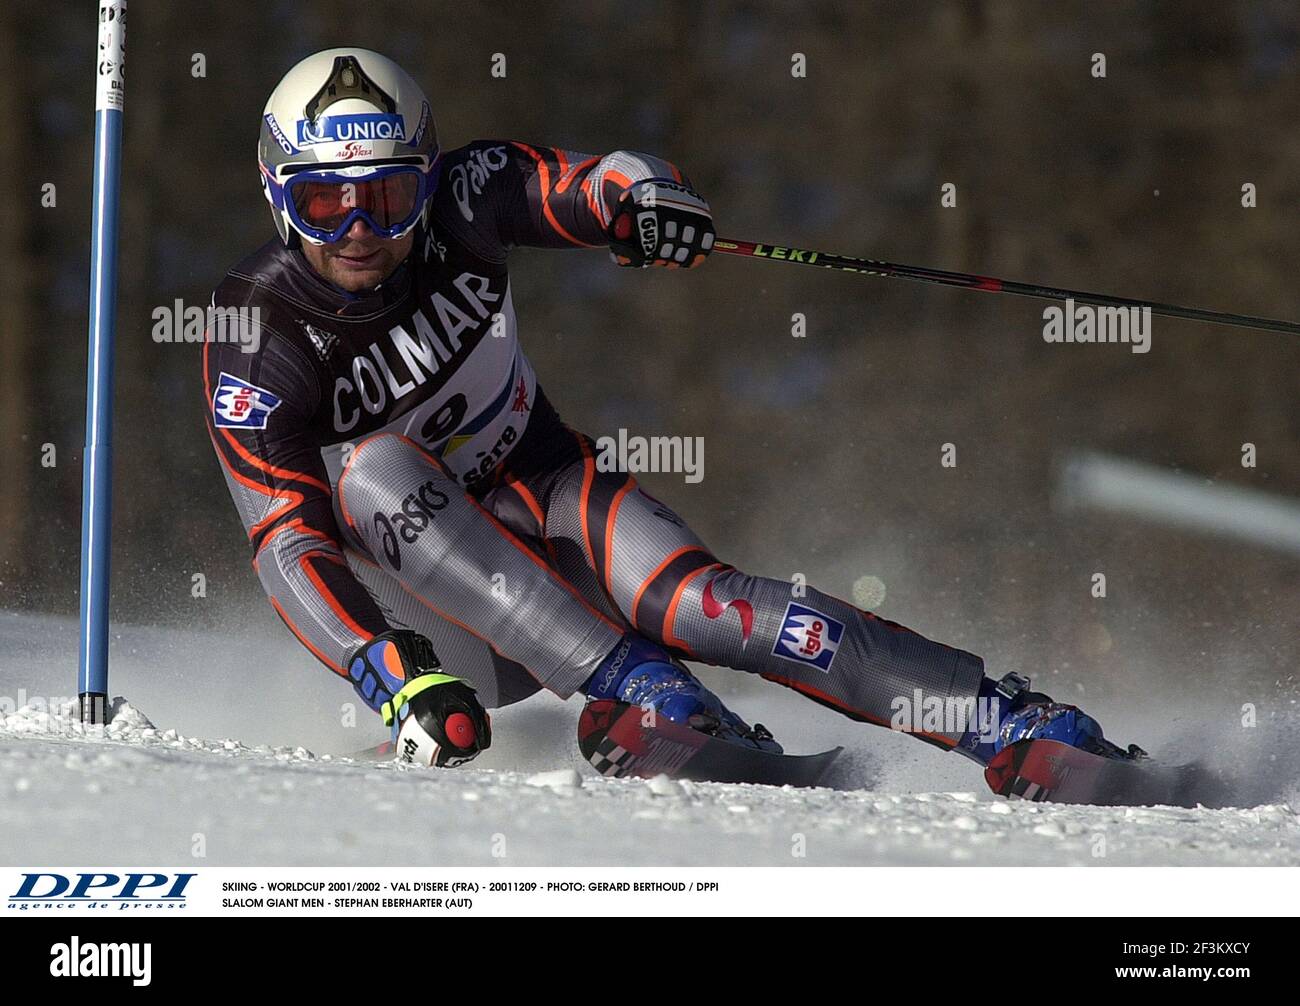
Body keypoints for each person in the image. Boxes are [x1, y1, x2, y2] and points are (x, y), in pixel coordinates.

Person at [205, 48, 1113, 775]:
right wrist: (396, 677)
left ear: (428, 179)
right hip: (454, 635)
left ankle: (1005, 719)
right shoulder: (258, 331)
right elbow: (288, 546)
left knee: (703, 603)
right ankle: (637, 682)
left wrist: (643, 203)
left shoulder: (467, 193)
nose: (360, 228)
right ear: (275, 193)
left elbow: (596, 179)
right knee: (375, 471)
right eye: (324, 202)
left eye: (390, 195)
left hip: (550, 495)